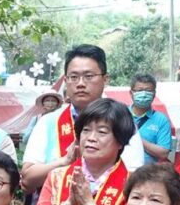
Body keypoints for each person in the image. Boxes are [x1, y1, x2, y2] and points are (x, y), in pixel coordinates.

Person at [21, 45, 145, 193]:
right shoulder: (48, 122)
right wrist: (64, 162)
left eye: (89, 76)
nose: (80, 83)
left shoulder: (122, 120)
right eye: (73, 77)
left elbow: (134, 177)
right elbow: (27, 179)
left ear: (105, 79)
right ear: (66, 81)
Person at [126, 74, 173, 163]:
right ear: (131, 93)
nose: (143, 94)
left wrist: (136, 138)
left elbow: (163, 153)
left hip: (147, 171)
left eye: (148, 91)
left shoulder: (161, 120)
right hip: (122, 169)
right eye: (139, 90)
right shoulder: (121, 114)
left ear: (154, 94)